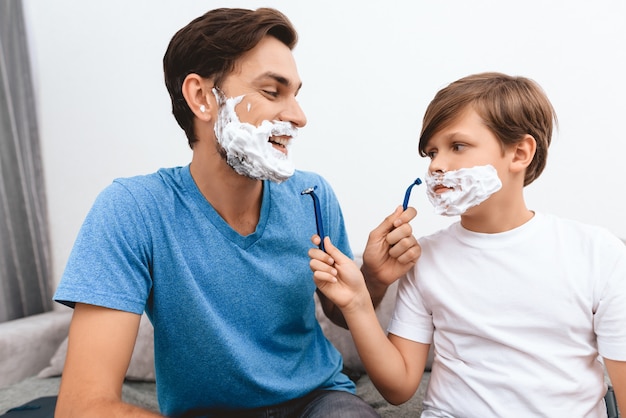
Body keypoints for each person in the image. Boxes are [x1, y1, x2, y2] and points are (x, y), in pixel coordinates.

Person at [52, 7, 420, 418]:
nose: (298, 116)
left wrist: (371, 280)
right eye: (272, 91)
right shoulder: (132, 210)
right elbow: (83, 407)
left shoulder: (311, 194)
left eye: (296, 94)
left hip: (319, 400)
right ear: (201, 97)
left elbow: (339, 311)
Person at [309, 72, 626, 417]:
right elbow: (398, 387)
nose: (437, 166)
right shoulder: (425, 258)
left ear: (519, 153)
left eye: (457, 146)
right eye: (431, 152)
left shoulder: (597, 253)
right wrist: (357, 302)